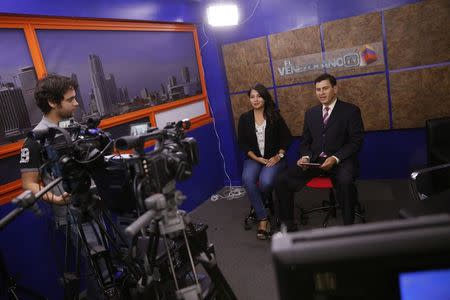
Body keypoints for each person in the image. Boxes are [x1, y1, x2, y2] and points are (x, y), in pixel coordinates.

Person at [19, 74, 104, 299]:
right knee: (99, 264)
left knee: (107, 258)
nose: (76, 103)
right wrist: (56, 200)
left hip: (93, 203)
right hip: (70, 215)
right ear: (53, 103)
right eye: (71, 99)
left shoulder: (75, 128)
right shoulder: (35, 140)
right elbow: (28, 184)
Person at [275, 73, 364, 230]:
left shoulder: (351, 111)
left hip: (341, 161)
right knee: (282, 179)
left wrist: (336, 158)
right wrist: (305, 157)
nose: (321, 93)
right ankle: (287, 225)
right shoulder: (311, 113)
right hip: (314, 161)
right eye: (318, 89)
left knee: (345, 182)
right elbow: (305, 142)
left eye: (325, 88)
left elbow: (356, 142)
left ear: (335, 89)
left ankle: (349, 228)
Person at [238, 83, 292, 240]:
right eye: (252, 97)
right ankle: (263, 218)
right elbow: (242, 143)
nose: (255, 99)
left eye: (258, 96)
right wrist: (256, 158)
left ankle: (258, 207)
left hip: (273, 158)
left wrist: (278, 156)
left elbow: (286, 139)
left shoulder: (274, 116)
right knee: (247, 179)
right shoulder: (244, 118)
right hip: (255, 158)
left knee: (265, 182)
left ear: (265, 97)